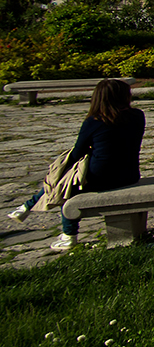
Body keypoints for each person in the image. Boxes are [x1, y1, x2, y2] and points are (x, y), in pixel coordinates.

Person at [8, 79, 145, 250]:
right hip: (129, 175)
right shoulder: (137, 116)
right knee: (65, 181)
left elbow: (77, 152)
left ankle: (67, 234)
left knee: (66, 187)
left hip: (100, 178)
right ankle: (27, 206)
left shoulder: (94, 122)